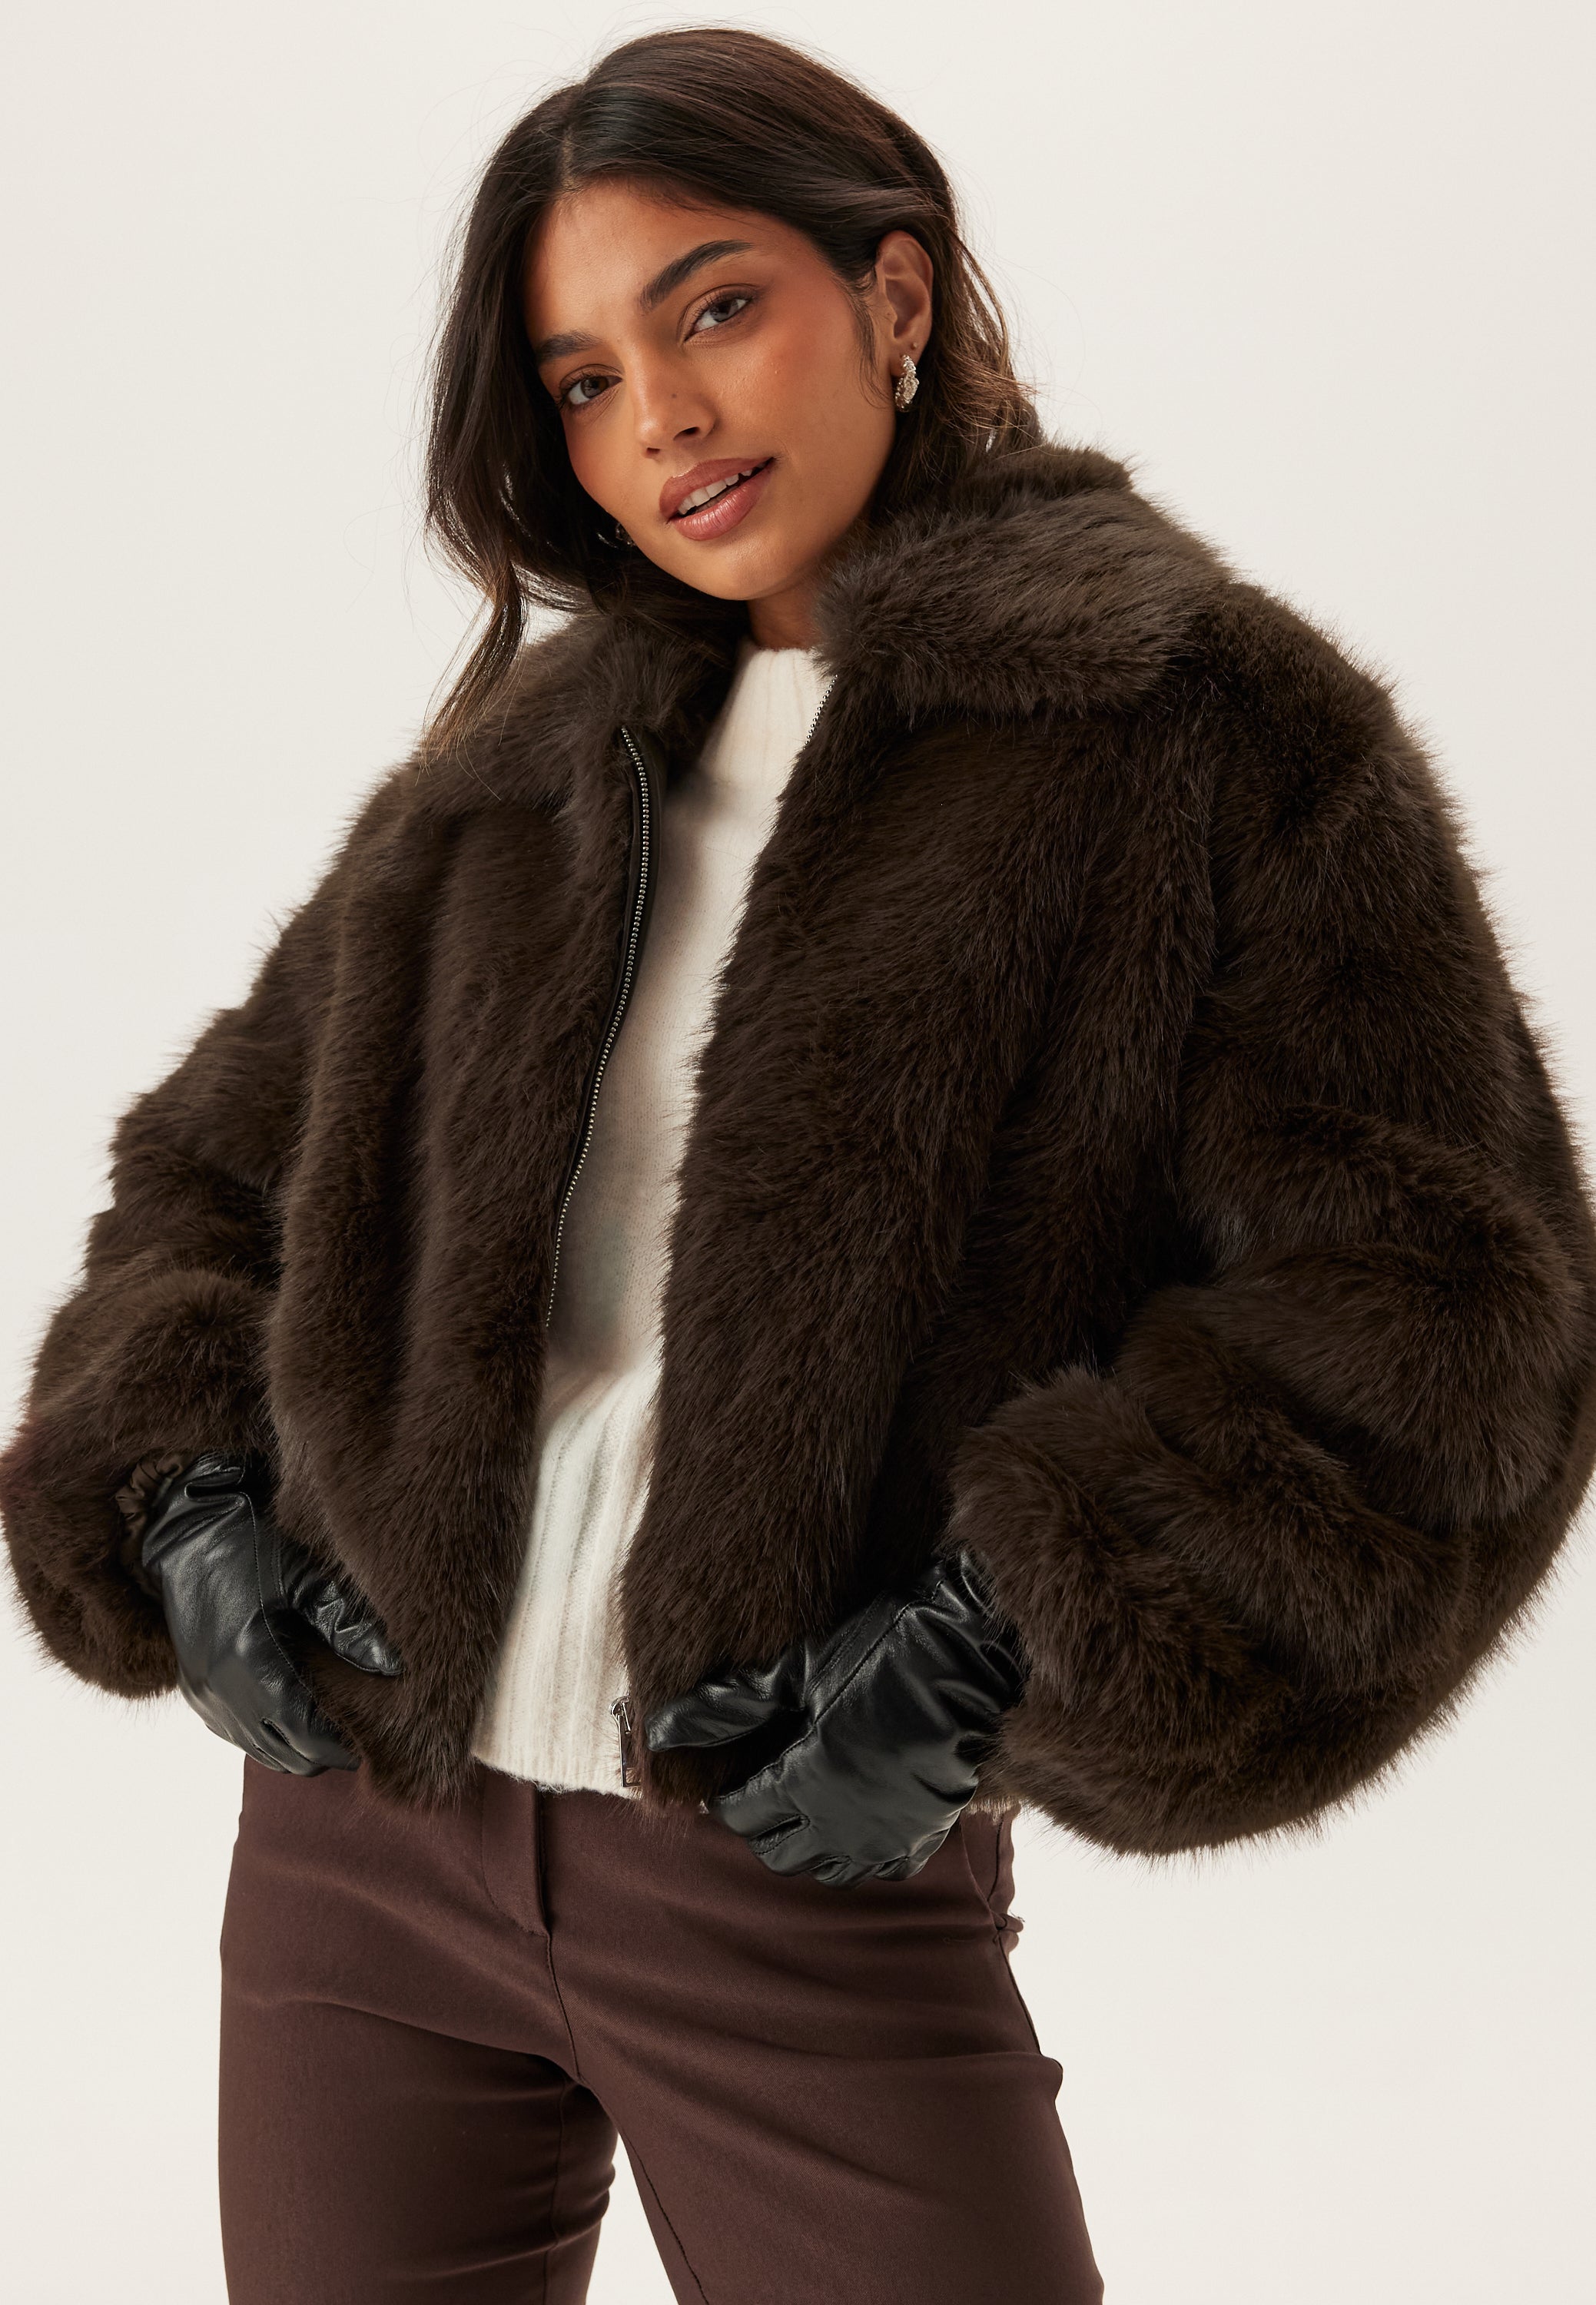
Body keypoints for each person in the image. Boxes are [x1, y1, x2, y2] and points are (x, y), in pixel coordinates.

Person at [4, 26, 1593, 2305]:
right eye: (581, 378)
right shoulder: (523, 778)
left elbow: (1444, 1312)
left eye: (717, 307)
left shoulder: (1203, 733)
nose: (658, 416)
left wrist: (984, 1643)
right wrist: (180, 1508)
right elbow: (211, 1189)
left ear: (897, 294)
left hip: (791, 1862)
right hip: (363, 1853)